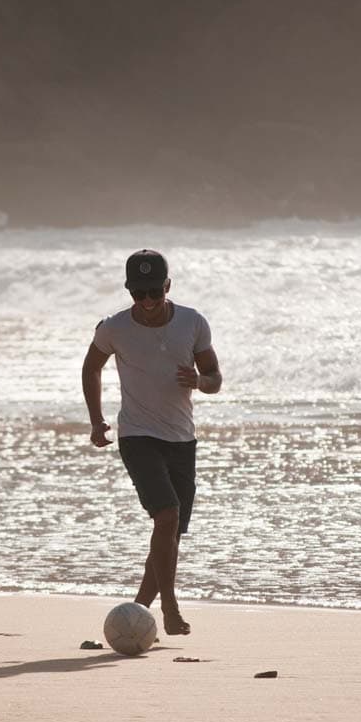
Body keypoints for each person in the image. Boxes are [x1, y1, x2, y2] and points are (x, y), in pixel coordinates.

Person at [81, 249, 222, 636]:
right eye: (137, 293)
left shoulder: (192, 323)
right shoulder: (114, 328)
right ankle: (170, 611)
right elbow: (91, 366)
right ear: (129, 290)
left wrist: (200, 382)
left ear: (167, 286)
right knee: (167, 515)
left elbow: (214, 377)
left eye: (153, 293)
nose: (145, 302)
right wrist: (96, 420)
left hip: (182, 438)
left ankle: (137, 614)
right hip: (138, 435)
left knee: (169, 533)